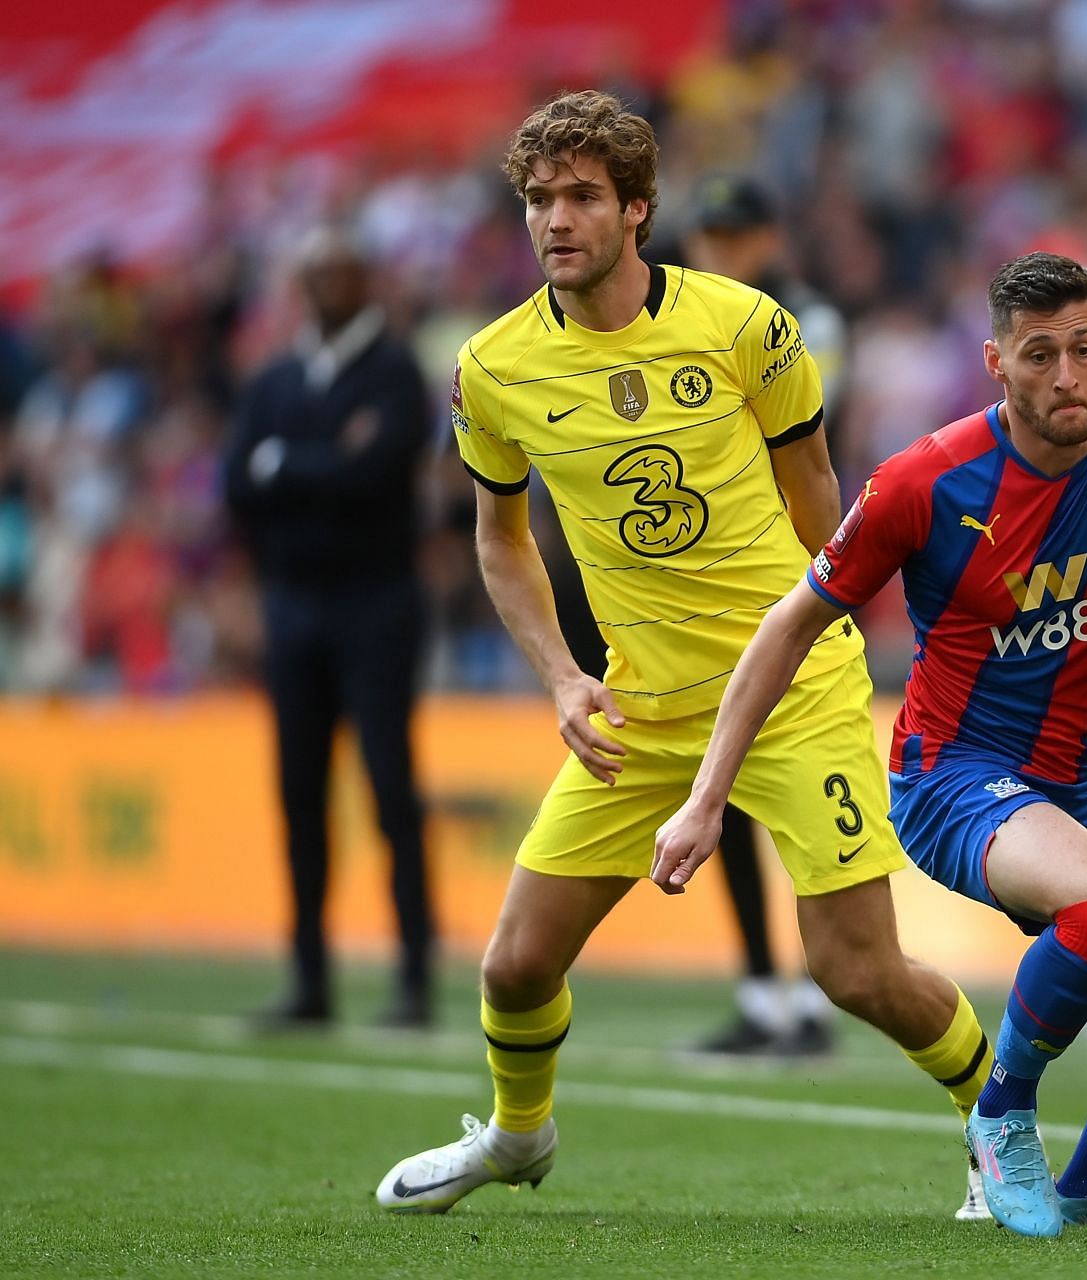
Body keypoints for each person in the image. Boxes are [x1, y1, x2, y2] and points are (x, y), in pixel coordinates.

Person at [373, 90, 993, 1217]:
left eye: (581, 196)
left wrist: (841, 633)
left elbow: (821, 499)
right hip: (641, 708)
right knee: (513, 966)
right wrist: (563, 675)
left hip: (794, 691)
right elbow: (500, 541)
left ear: (637, 209)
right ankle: (519, 1136)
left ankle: (997, 1125)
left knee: (853, 971)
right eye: (538, 199)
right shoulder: (493, 369)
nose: (555, 219)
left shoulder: (747, 326)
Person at [655, 251, 1087, 1237]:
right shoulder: (924, 481)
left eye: (1082, 350)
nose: (1066, 376)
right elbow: (787, 624)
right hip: (950, 776)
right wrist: (708, 796)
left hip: (1073, 773)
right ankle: (1000, 1115)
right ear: (996, 364)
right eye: (1040, 355)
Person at [223, 226, 435, 1030]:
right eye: (316, 273)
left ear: (364, 280)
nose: (328, 286)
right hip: (294, 604)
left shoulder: (392, 372)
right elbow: (238, 484)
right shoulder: (276, 378)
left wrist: (288, 465)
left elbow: (372, 474)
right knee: (299, 794)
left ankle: (413, 978)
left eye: (341, 272)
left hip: (375, 602)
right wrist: (319, 465)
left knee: (390, 791)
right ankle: (309, 979)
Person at [681, 172, 850, 1058]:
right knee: (727, 786)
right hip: (717, 579)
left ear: (766, 238)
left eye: (731, 236)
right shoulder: (695, 323)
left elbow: (798, 433)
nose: (716, 252)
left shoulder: (803, 321)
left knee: (793, 786)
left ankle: (814, 998)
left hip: (796, 566)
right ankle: (760, 991)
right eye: (708, 237)